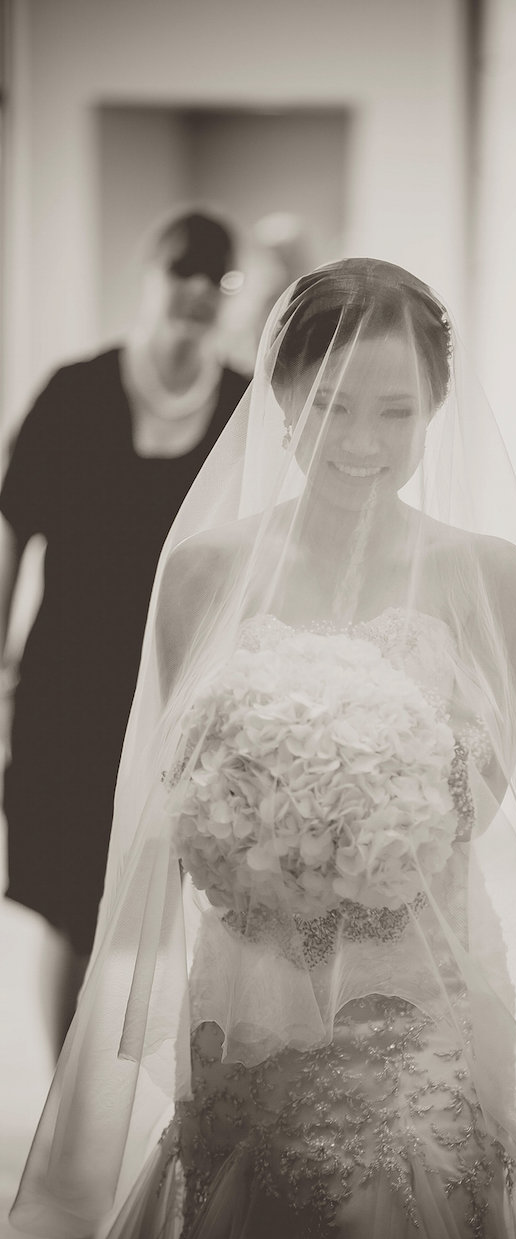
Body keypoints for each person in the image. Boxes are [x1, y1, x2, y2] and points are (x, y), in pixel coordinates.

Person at [12, 259, 516, 1239]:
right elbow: (178, 781)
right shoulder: (203, 571)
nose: (362, 439)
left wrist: (354, 830)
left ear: (438, 410)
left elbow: (476, 806)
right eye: (334, 404)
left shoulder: (491, 578)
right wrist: (255, 841)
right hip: (250, 974)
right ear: (280, 399)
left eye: (398, 410)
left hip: (424, 980)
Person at [0, 210, 250, 1052]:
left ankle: (182, 1099)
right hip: (67, 687)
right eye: (183, 270)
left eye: (220, 280)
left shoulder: (247, 406)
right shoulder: (75, 390)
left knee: (205, 895)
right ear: (150, 276)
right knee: (73, 899)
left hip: (193, 691)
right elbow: (11, 532)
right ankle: (65, 1089)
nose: (198, 293)